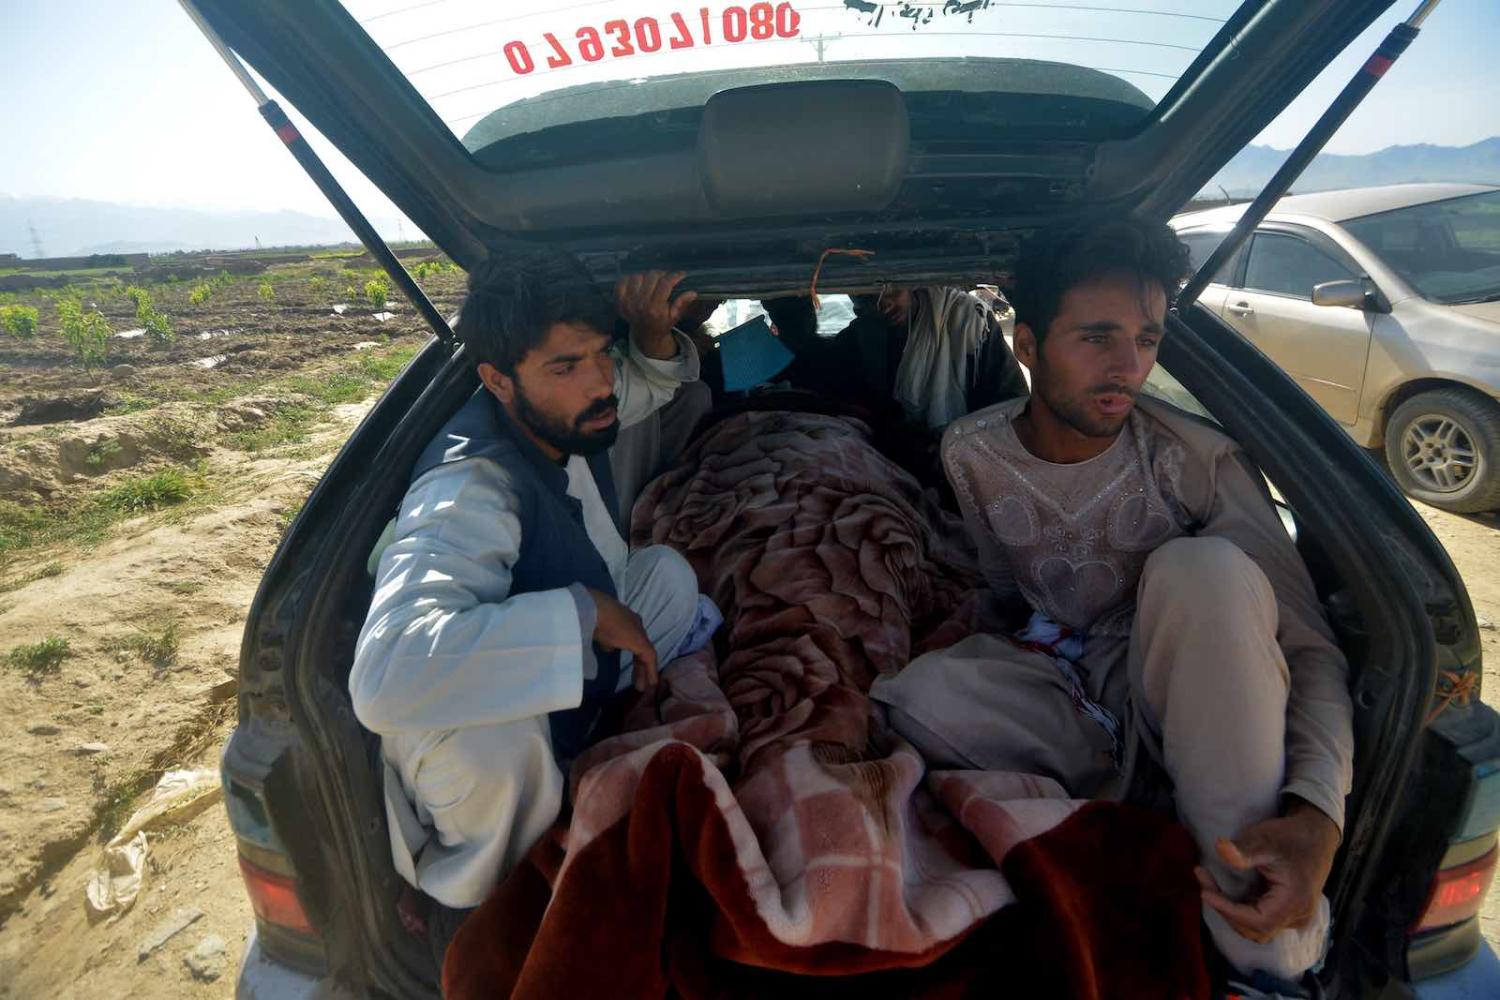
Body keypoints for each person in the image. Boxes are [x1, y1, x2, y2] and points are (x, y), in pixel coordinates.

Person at [869, 218, 1354, 986]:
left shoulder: (1195, 461)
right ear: (1028, 347)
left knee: (1203, 573)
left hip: (1191, 685)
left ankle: (1258, 949)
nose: (1128, 367)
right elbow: (1006, 592)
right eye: (1097, 337)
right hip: (1073, 689)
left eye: (1148, 340)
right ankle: (1158, 802)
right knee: (915, 694)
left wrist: (1319, 820)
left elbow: (1312, 650)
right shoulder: (970, 452)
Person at [349, 252, 708, 925]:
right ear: (498, 381)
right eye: (566, 366)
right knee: (498, 753)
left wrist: (647, 338)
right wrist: (583, 612)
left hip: (558, 663)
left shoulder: (569, 405)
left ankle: (583, 741)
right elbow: (385, 673)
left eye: (602, 354)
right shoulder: (467, 485)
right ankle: (465, 900)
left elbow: (639, 387)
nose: (600, 384)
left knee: (667, 576)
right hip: (468, 723)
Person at [767, 285, 1028, 431]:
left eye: (888, 287)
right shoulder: (858, 339)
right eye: (865, 294)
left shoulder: (969, 324)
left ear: (912, 281)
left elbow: (1011, 412)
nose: (882, 303)